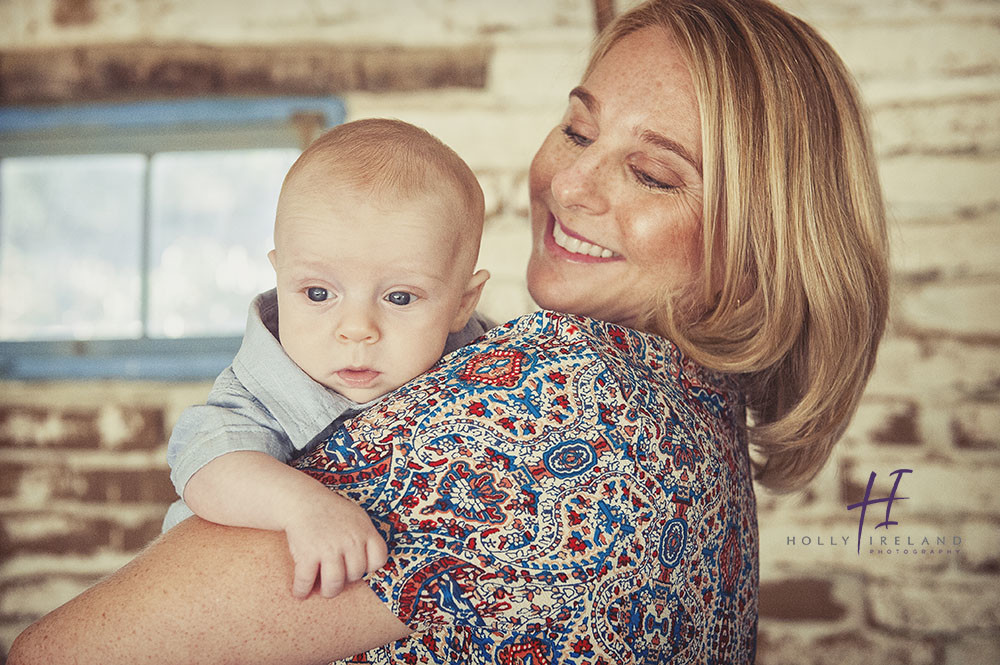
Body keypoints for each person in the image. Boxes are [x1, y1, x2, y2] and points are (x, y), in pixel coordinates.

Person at [8, 0, 889, 663]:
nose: (569, 182)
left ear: (759, 245)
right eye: (576, 127)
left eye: (653, 174)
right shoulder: (691, 415)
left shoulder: (564, 405)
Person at [161, 117, 492, 599]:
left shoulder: (491, 364)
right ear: (281, 278)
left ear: (463, 303)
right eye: (318, 293)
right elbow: (205, 467)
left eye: (400, 298)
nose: (356, 328)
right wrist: (301, 506)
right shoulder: (258, 388)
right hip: (217, 607)